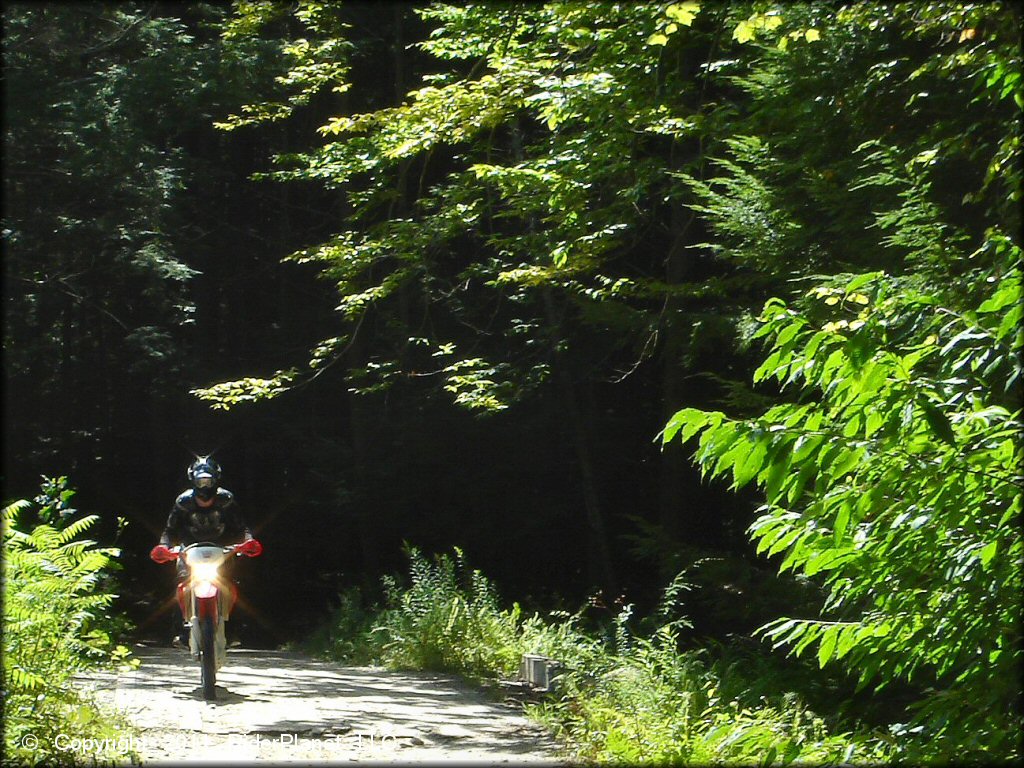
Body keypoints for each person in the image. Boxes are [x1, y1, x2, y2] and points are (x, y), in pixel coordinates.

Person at [150, 456, 262, 646]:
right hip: (190, 551)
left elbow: (241, 527)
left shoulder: (226, 500)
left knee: (231, 585)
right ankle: (182, 632)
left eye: (208, 480)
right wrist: (164, 547)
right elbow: (170, 530)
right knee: (182, 585)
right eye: (201, 480)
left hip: (222, 549)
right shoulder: (183, 502)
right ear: (193, 479)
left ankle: (231, 630)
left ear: (216, 480)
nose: (204, 485)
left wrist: (248, 542)